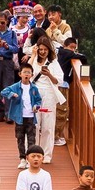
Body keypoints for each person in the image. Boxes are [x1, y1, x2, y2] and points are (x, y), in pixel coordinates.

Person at [28, 35, 64, 164]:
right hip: (34, 94)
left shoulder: (53, 63)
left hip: (48, 94)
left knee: (48, 125)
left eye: (45, 50)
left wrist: (49, 74)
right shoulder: (33, 60)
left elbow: (58, 81)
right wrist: (33, 55)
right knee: (34, 124)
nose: (43, 52)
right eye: (41, 49)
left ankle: (46, 154)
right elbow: (26, 73)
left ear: (49, 50)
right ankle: (33, 152)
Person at [0, 64, 42, 170]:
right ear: (20, 74)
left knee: (31, 139)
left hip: (31, 116)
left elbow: (38, 100)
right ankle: (22, 158)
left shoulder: (34, 88)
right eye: (24, 72)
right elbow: (3, 92)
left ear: (32, 75)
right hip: (19, 117)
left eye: (29, 72)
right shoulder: (16, 86)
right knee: (20, 138)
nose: (26, 74)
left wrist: (36, 106)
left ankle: (30, 159)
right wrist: (12, 95)